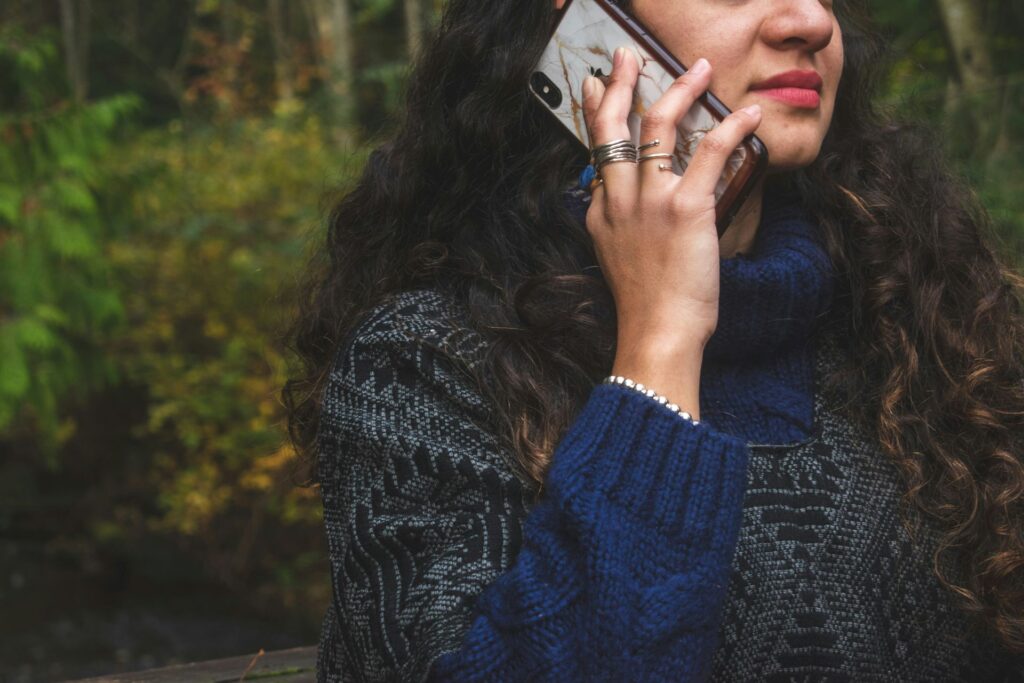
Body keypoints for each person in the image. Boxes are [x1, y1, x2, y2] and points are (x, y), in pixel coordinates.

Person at [283, 0, 1024, 680]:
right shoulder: (424, 360)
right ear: (582, 22)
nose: (808, 21)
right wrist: (661, 339)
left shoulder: (940, 324)